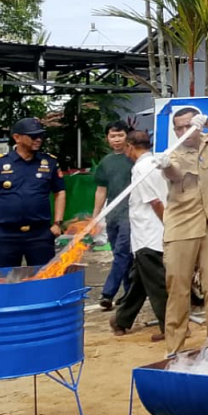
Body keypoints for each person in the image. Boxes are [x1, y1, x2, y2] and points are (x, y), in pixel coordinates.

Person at [158, 108, 208, 356]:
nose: (184, 131)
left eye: (188, 125)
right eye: (179, 128)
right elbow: (174, 174)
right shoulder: (172, 153)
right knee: (178, 287)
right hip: (182, 227)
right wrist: (165, 165)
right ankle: (174, 347)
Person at [0, 118, 66, 268]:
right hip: (7, 235)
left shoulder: (49, 163)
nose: (38, 139)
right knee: (5, 281)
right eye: (33, 136)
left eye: (41, 136)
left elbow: (60, 193)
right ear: (17, 137)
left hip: (40, 235)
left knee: (42, 279)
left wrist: (57, 223)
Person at [110, 131, 170, 342]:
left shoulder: (141, 168)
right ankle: (122, 319)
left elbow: (155, 201)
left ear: (130, 147)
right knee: (145, 280)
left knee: (155, 283)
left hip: (149, 233)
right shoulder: (155, 163)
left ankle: (169, 326)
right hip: (150, 233)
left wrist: (167, 226)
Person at [94, 120, 135, 310]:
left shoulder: (135, 158)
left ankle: (108, 293)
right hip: (113, 215)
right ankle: (128, 294)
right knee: (122, 256)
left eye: (120, 135)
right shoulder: (106, 162)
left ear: (128, 136)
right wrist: (96, 217)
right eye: (113, 136)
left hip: (132, 214)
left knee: (121, 253)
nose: (117, 139)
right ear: (107, 139)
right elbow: (101, 190)